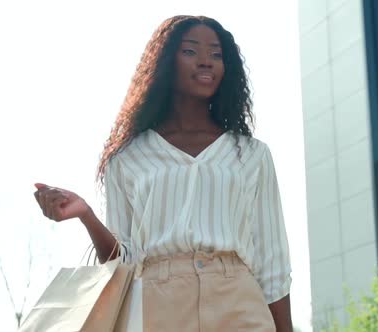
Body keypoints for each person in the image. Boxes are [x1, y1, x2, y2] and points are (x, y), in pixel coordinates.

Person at [33, 15, 292, 331]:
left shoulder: (252, 154)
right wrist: (86, 214)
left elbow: (272, 261)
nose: (206, 62)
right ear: (166, 62)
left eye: (216, 54)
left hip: (239, 303)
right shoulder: (127, 157)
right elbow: (123, 263)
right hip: (157, 306)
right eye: (190, 51)